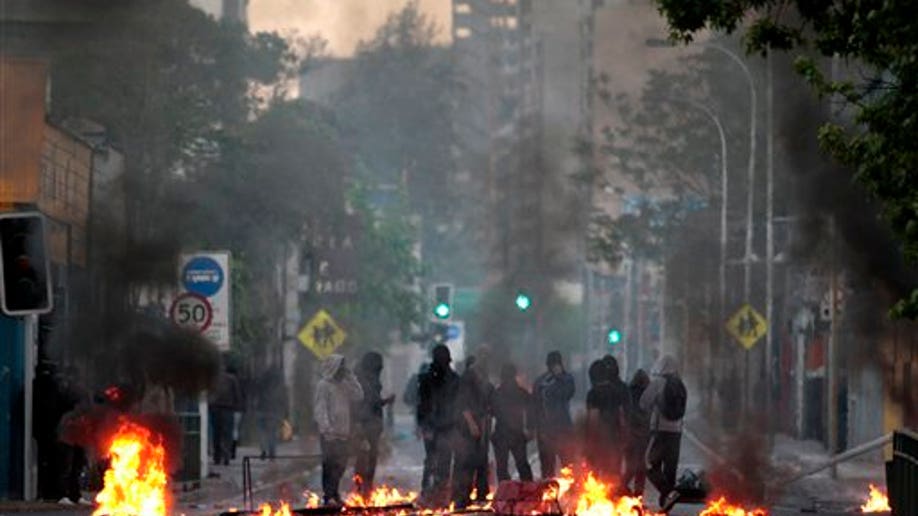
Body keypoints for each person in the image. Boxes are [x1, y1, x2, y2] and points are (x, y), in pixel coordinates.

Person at [315, 354, 364, 506]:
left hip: (343, 432)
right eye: (340, 367)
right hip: (329, 434)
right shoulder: (324, 385)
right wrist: (326, 428)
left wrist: (351, 377)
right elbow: (320, 408)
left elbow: (359, 396)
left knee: (341, 465)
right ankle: (328, 496)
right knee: (329, 465)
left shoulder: (344, 384)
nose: (342, 370)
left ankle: (335, 494)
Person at [639, 355, 687, 511]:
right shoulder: (680, 385)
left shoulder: (658, 383)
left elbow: (643, 403)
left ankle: (668, 492)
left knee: (650, 464)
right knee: (670, 469)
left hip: (659, 431)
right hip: (677, 433)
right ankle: (666, 506)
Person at [416, 345, 460, 506]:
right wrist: (423, 426)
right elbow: (422, 405)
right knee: (434, 461)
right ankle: (429, 492)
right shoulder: (427, 379)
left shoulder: (453, 379)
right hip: (435, 426)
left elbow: (458, 405)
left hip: (445, 426)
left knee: (440, 461)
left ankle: (437, 493)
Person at [452, 356, 493, 508]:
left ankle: (480, 493)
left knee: (480, 460)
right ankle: (462, 497)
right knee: (466, 461)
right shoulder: (467, 380)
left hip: (480, 426)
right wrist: (472, 424)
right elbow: (463, 405)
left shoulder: (482, 383)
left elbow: (487, 403)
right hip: (467, 428)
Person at [352, 352, 395, 494]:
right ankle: (361, 486)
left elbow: (374, 402)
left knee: (371, 456)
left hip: (373, 423)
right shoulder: (361, 379)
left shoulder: (371, 377)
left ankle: (367, 486)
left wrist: (385, 401)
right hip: (363, 423)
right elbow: (363, 402)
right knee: (363, 456)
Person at [532, 351, 576, 479]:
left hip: (564, 428)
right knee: (547, 467)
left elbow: (569, 393)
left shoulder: (567, 379)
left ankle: (570, 493)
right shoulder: (540, 382)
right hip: (546, 430)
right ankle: (548, 494)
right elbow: (535, 406)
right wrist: (536, 428)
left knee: (568, 465)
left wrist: (559, 377)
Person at [584, 358, 630, 479]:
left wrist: (589, 443)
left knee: (594, 476)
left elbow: (593, 419)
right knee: (613, 476)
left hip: (599, 441)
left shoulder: (593, 394)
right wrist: (623, 437)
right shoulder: (617, 391)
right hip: (615, 439)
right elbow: (622, 416)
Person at [491, 362, 533, 482]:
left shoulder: (496, 393)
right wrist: (530, 428)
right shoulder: (521, 392)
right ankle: (529, 491)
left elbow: (491, 412)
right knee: (522, 465)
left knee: (502, 468)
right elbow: (532, 409)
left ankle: (505, 493)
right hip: (516, 434)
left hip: (502, 434)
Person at [622, 369, 651, 496]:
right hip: (640, 433)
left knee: (632, 466)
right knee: (639, 467)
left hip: (630, 433)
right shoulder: (646, 393)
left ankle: (620, 487)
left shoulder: (628, 392)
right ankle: (637, 494)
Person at [210, 363, 243, 466]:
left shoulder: (213, 379)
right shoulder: (231, 379)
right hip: (228, 409)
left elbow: (209, 393)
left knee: (217, 433)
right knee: (227, 433)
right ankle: (226, 456)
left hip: (216, 408)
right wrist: (238, 406)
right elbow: (237, 393)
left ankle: (217, 456)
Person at [256, 365, 288, 460]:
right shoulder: (280, 386)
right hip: (274, 412)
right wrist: (285, 413)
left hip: (262, 410)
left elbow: (257, 397)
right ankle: (272, 452)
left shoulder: (261, 383)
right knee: (272, 433)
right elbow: (284, 400)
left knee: (262, 432)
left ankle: (263, 449)